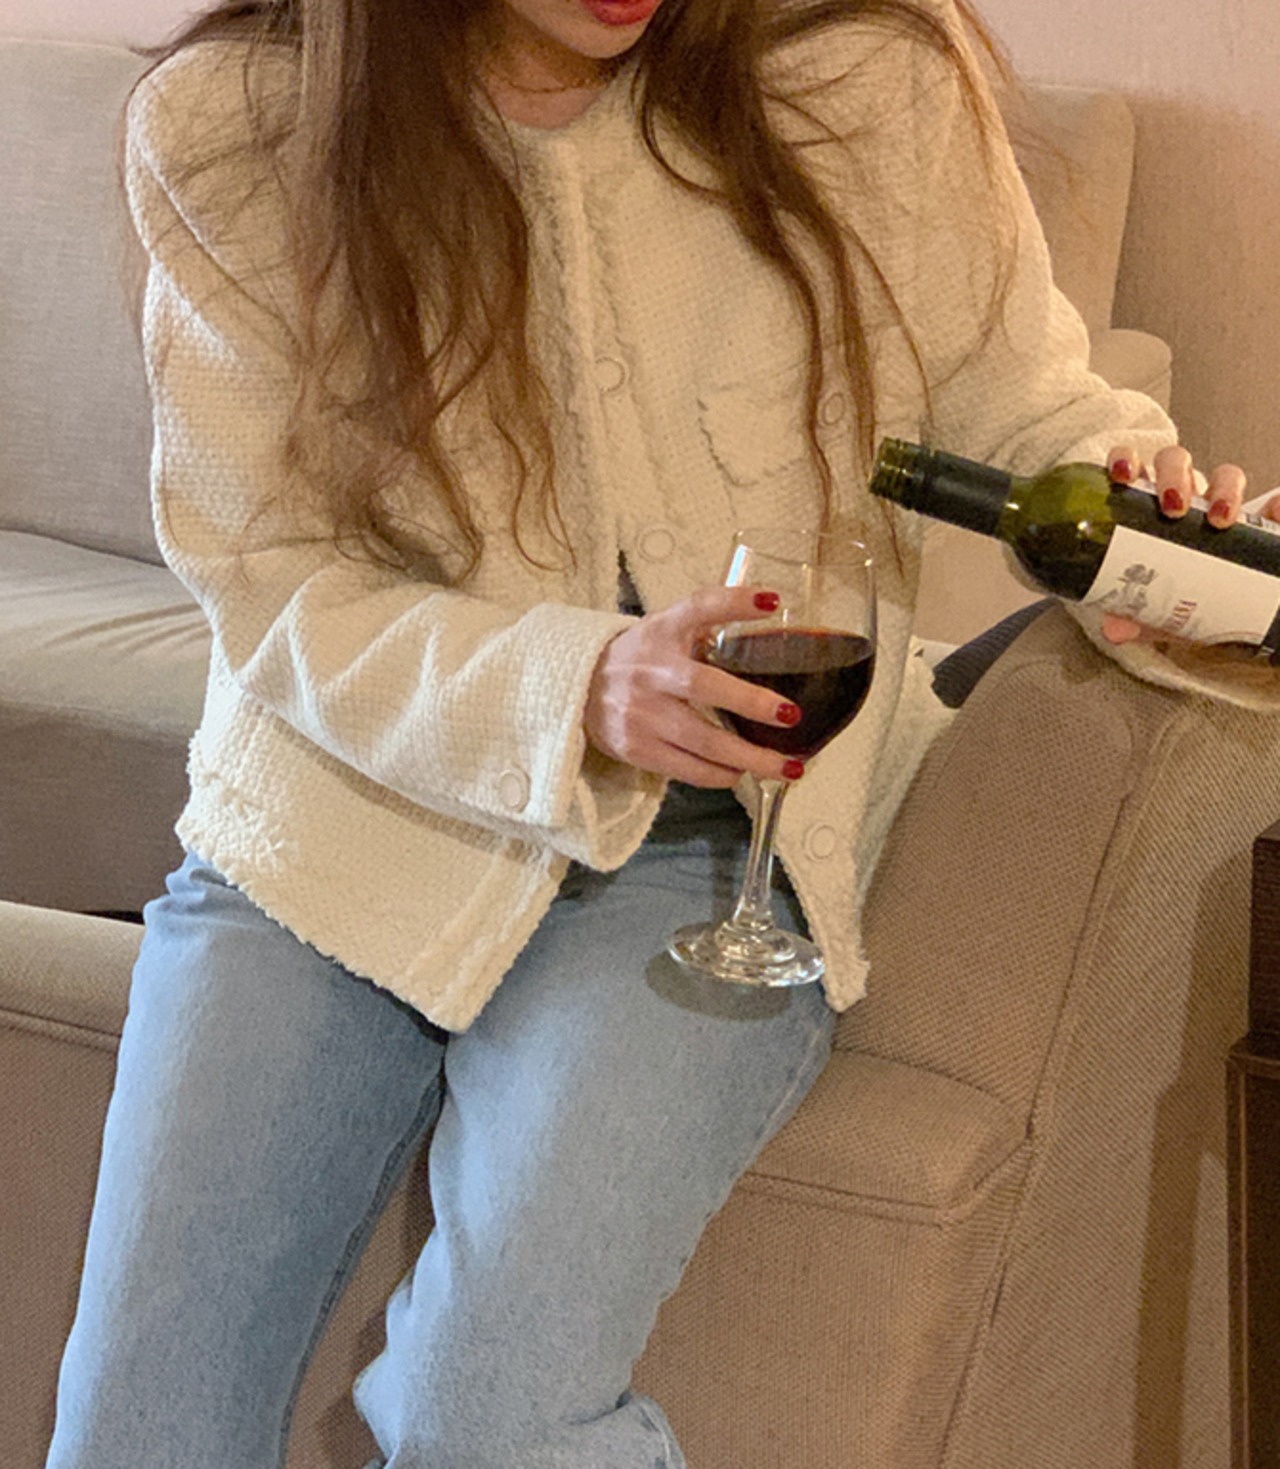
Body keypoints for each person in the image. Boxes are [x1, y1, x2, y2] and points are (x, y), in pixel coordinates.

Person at [43, 0, 1276, 1465]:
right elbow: (272, 578)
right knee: (135, 1435)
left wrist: (1139, 531)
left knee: (487, 1422)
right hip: (333, 832)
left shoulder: (862, 75)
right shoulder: (236, 127)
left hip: (717, 851)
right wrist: (579, 685)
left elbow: (1021, 404)